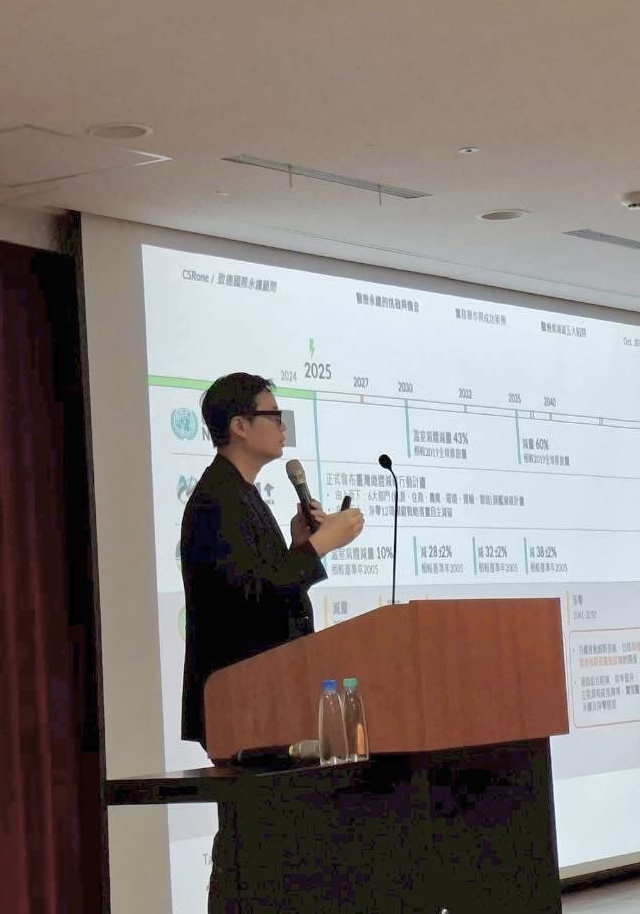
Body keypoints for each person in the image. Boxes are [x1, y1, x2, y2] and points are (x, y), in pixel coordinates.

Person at [179, 372, 364, 913]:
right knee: (252, 844)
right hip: (241, 701)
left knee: (269, 845)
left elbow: (262, 588)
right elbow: (249, 596)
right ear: (239, 426)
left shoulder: (243, 494)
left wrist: (299, 545)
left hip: (264, 697)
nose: (282, 426)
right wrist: (318, 547)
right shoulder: (216, 499)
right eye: (273, 415)